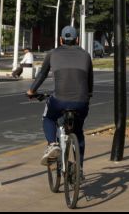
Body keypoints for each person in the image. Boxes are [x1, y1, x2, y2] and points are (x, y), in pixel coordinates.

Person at [27, 26, 93, 173]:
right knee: (78, 131)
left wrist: (31, 91)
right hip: (82, 102)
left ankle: (52, 144)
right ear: (77, 40)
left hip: (59, 100)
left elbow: (42, 75)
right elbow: (90, 83)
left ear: (60, 40)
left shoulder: (52, 53)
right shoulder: (86, 55)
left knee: (48, 118)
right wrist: (87, 96)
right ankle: (79, 168)